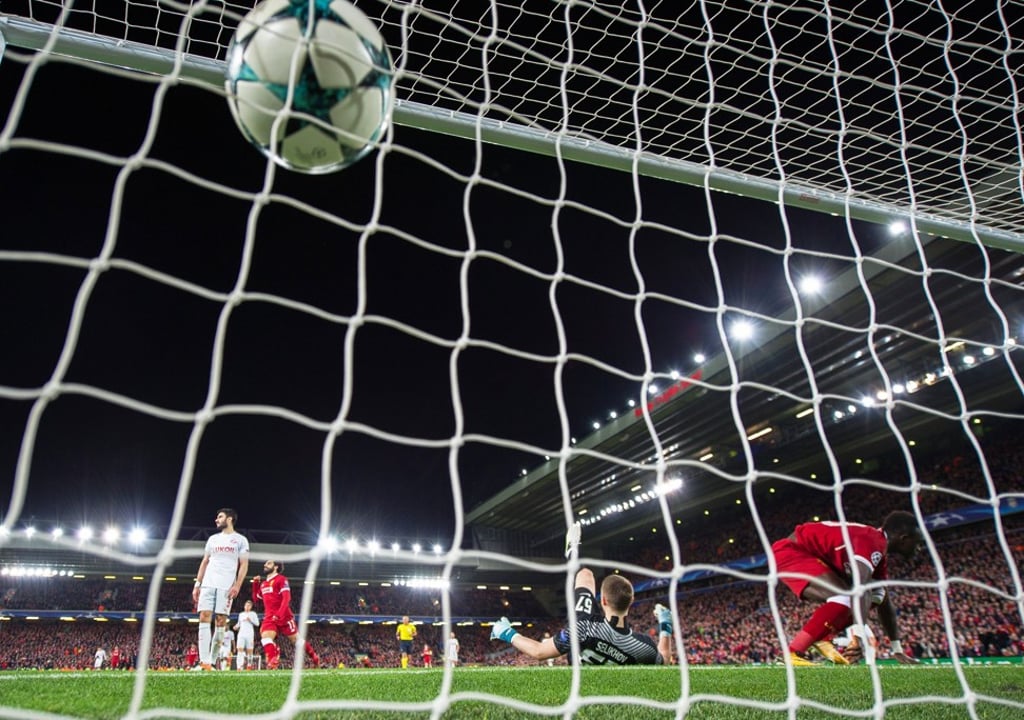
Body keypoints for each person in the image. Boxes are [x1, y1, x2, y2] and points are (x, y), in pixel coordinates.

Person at [770, 510, 924, 666]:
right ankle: (792, 653)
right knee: (844, 597)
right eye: (918, 543)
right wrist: (857, 638)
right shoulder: (871, 542)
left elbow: (884, 601)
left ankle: (823, 637)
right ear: (904, 539)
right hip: (792, 552)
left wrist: (897, 650)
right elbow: (859, 588)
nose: (919, 549)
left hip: (810, 556)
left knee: (878, 594)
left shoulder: (878, 551)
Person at [490, 567, 670, 665]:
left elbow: (539, 652)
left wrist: (507, 633)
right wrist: (665, 625)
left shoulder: (584, 626)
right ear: (631, 602)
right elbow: (665, 659)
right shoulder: (645, 646)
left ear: (604, 601)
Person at [192, 508, 249, 671]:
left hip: (226, 586)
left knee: (221, 621)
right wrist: (197, 584)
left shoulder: (240, 540)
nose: (216, 520)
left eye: (220, 517)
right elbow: (205, 561)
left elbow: (244, 564)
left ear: (229, 519)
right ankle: (203, 662)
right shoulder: (212, 539)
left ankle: (211, 661)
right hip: (208, 583)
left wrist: (237, 585)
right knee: (204, 616)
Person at [251, 559, 320, 669]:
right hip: (269, 616)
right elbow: (256, 599)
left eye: (269, 563)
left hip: (284, 616)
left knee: (296, 641)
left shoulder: (281, 579)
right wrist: (255, 584)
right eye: (265, 563)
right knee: (265, 637)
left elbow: (286, 598)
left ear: (276, 566)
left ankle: (314, 656)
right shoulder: (264, 584)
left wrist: (279, 614)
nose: (265, 565)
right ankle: (273, 661)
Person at [233, 599, 260, 670]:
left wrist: (250, 620)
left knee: (249, 651)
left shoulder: (253, 614)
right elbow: (239, 623)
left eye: (249, 605)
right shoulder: (241, 614)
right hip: (241, 634)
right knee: (240, 650)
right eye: (247, 605)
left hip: (249, 634)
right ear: (244, 606)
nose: (248, 606)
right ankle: (239, 666)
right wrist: (236, 626)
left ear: (251, 607)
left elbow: (257, 624)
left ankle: (249, 665)